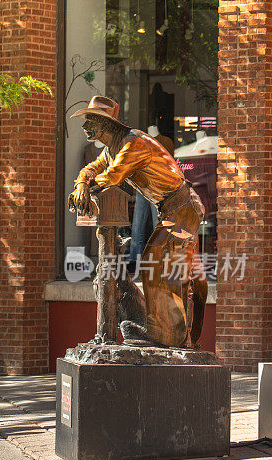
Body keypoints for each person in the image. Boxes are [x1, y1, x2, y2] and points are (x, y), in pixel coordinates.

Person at [68, 96, 207, 348]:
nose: (85, 126)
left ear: (107, 123)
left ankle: (167, 335)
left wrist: (86, 190)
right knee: (169, 269)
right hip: (171, 210)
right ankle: (172, 333)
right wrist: (80, 184)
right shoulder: (111, 149)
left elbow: (113, 175)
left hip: (182, 209)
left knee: (158, 266)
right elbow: (92, 169)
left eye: (91, 120)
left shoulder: (133, 144)